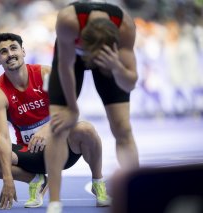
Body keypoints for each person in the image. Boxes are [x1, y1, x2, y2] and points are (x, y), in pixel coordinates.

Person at [0, 32, 110, 210]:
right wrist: (8, 178)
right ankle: (36, 180)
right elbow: (2, 137)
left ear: (23, 51)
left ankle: (98, 183)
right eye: (3, 51)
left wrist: (47, 129)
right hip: (31, 153)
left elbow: (70, 110)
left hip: (62, 147)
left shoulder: (45, 75)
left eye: (13, 48)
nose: (10, 54)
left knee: (86, 129)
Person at [45, 1, 140, 212]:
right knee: (58, 126)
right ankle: (54, 202)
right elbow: (65, 65)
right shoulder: (68, 20)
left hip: (111, 61)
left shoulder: (125, 27)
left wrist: (116, 67)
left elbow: (130, 83)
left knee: (123, 129)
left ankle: (137, 194)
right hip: (70, 61)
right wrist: (71, 107)